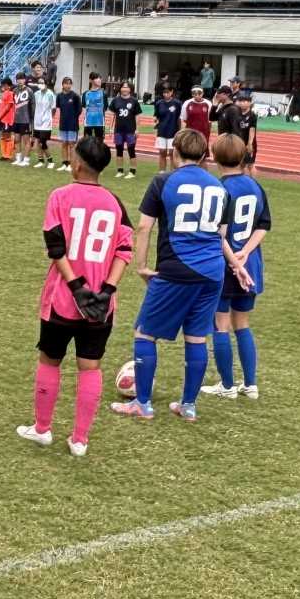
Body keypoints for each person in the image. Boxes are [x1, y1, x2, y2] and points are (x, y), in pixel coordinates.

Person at [18, 135, 132, 457]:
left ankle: (42, 429)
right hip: (100, 304)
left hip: (62, 299)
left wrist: (75, 286)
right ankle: (80, 439)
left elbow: (56, 247)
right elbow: (124, 250)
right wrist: (106, 290)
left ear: (78, 163)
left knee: (50, 360)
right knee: (90, 366)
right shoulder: (114, 202)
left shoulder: (59, 196)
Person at [112, 128, 227, 422]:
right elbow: (221, 235)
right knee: (197, 337)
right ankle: (188, 405)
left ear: (175, 152)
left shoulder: (163, 181)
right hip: (213, 271)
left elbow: (144, 228)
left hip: (178, 268)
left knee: (145, 332)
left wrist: (140, 266)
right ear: (204, 156)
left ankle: (143, 403)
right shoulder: (219, 187)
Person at [199, 133, 267, 400]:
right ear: (243, 157)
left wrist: (234, 260)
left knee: (220, 323)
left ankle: (227, 385)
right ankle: (250, 384)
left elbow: (217, 232)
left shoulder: (218, 188)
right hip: (251, 263)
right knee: (243, 323)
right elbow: (264, 225)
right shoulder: (255, 186)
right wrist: (247, 253)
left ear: (215, 158)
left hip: (226, 265)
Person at [110, 81, 141, 179]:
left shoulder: (134, 101)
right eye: (123, 87)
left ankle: (132, 171)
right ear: (120, 89)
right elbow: (113, 115)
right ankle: (120, 170)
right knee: (119, 150)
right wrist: (111, 127)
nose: (125, 89)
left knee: (131, 150)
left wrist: (137, 129)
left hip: (130, 130)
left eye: (127, 87)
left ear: (130, 89)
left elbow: (138, 116)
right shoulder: (116, 100)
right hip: (118, 130)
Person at [52, 77, 81, 171]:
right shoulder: (59, 96)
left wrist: (73, 118)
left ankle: (72, 164)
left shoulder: (75, 96)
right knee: (64, 143)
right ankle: (65, 163)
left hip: (73, 124)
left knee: (72, 144)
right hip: (63, 123)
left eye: (69, 83)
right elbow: (59, 108)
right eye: (66, 83)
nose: (67, 85)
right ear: (62, 85)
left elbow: (79, 110)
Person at [151, 82, 181, 169]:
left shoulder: (177, 103)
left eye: (168, 92)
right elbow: (156, 115)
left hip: (173, 131)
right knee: (162, 152)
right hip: (162, 130)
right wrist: (155, 120)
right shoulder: (159, 103)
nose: (166, 94)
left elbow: (180, 118)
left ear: (172, 92)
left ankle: (172, 172)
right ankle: (162, 171)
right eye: (164, 92)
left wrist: (180, 130)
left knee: (172, 153)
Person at [30, 76, 55, 167]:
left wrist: (49, 118)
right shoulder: (36, 94)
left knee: (42, 142)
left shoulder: (50, 94)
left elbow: (53, 108)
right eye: (39, 83)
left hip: (46, 122)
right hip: (37, 121)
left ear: (46, 84)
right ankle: (40, 160)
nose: (40, 84)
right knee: (37, 141)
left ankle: (51, 161)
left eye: (42, 82)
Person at [10, 74, 33, 166]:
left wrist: (32, 118)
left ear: (25, 80)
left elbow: (33, 105)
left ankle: (26, 160)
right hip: (16, 120)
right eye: (18, 79)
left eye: (22, 79)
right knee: (16, 139)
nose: (20, 81)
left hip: (26, 120)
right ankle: (18, 159)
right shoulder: (14, 91)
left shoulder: (29, 91)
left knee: (26, 140)